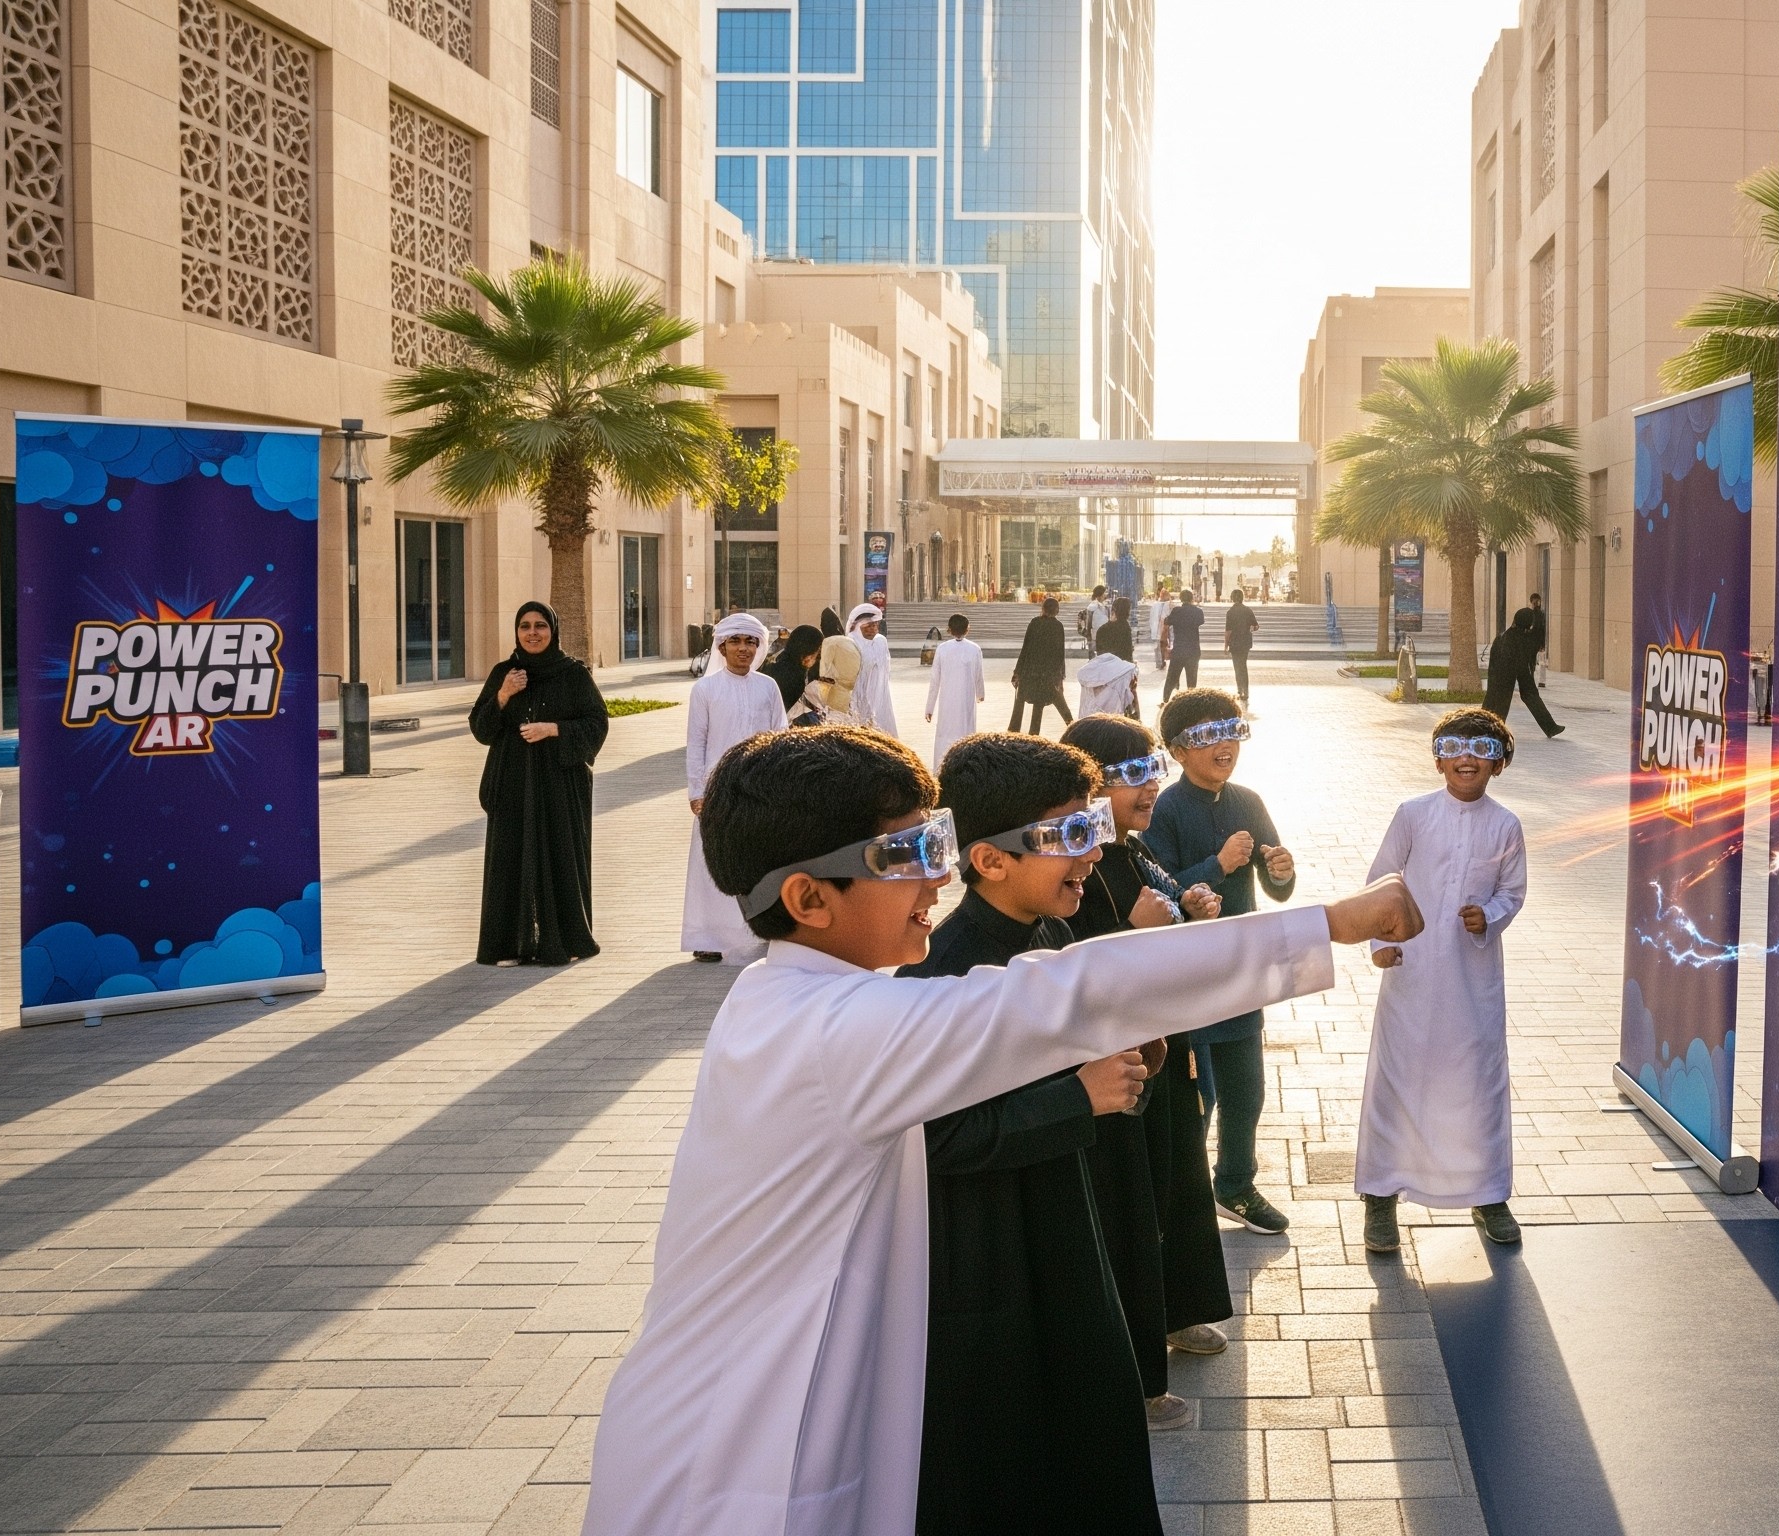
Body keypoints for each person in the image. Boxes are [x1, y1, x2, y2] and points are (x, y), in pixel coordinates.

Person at [580, 727, 1424, 1536]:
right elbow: (1071, 991)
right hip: (745, 1458)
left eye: (936, 844)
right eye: (904, 857)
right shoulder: (839, 1028)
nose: (937, 882)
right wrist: (1336, 923)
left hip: (758, 1420)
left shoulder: (783, 1002)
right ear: (807, 897)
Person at [893, 733, 1164, 1527]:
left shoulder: (1050, 936)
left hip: (1068, 1240)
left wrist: (1127, 1068)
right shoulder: (942, 974)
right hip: (993, 1273)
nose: (1089, 855)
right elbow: (930, 1138)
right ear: (988, 859)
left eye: (1094, 832)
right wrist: (1076, 1100)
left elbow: (1093, 1086)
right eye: (1067, 838)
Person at [1064, 715, 1234, 1425]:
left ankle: (1179, 1309)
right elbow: (1064, 970)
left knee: (1178, 1181)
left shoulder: (1131, 852)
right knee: (1130, 1212)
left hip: (1162, 1045)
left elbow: (1168, 911)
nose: (1148, 784)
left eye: (1149, 769)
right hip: (1110, 1070)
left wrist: (1190, 905)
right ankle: (1134, 1371)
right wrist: (1134, 933)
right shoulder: (1076, 864)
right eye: (1129, 773)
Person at [1356, 709, 1530, 1251]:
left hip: (1472, 976)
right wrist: (1382, 942)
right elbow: (1381, 879)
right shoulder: (1412, 814)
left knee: (1477, 1080)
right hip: (1411, 971)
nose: (1467, 758)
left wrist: (1490, 915)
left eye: (1482, 749)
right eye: (1455, 748)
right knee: (1398, 1075)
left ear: (1498, 763)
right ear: (1437, 758)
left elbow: (1513, 890)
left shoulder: (1506, 825)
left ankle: (1488, 1193)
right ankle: (1381, 1198)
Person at [1144, 688, 1298, 1233]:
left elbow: (1278, 888)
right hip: (1191, 979)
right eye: (1207, 736)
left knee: (1246, 1089)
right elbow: (1156, 893)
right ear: (1179, 751)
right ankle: (1180, 1200)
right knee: (1198, 1096)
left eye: (1231, 731)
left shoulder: (1249, 801)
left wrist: (1278, 870)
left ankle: (1235, 1184)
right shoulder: (1165, 808)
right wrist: (1219, 863)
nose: (1224, 744)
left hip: (1243, 970)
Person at [469, 602, 611, 967]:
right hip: (512, 783)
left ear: (553, 630)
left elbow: (597, 723)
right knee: (510, 859)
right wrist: (502, 695)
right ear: (516, 632)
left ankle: (565, 940)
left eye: (540, 626)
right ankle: (509, 946)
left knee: (560, 855)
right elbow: (481, 730)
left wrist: (554, 729)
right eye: (525, 626)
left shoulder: (573, 674)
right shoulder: (504, 673)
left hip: (560, 784)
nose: (533, 633)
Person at [681, 614, 789, 964]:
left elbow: (780, 736)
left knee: (757, 858)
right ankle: (709, 936)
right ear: (722, 646)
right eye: (736, 642)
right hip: (717, 789)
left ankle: (758, 929)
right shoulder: (705, 689)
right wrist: (697, 791)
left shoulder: (767, 687)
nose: (743, 649)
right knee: (711, 861)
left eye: (751, 642)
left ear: (758, 647)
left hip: (759, 787)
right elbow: (696, 743)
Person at [1482, 603, 1565, 738]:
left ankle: (1550, 727)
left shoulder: (1508, 636)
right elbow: (1515, 658)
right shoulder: (1513, 638)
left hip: (1513, 672)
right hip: (1509, 673)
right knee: (1503, 701)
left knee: (1506, 698)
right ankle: (1490, 729)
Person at [925, 612, 985, 762]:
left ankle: (941, 764)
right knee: (966, 733)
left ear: (949, 629)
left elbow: (935, 680)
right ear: (967, 629)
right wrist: (980, 694)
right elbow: (979, 674)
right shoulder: (975, 648)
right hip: (966, 700)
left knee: (945, 734)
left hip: (947, 701)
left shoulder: (942, 649)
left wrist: (929, 708)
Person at [1012, 595, 1073, 734]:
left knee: (1027, 701)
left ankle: (1020, 731)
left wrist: (1017, 671)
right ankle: (1071, 726)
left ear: (1043, 609)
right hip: (1048, 673)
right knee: (1052, 702)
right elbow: (1059, 653)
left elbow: (1025, 648)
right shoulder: (1057, 626)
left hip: (1030, 671)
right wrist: (1060, 675)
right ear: (1056, 610)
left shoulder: (1034, 623)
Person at [846, 602, 899, 734]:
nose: (873, 629)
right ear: (858, 626)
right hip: (857, 699)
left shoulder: (881, 641)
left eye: (875, 625)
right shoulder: (851, 643)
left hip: (880, 698)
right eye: (868, 626)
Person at [1077, 617, 1140, 718]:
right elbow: (1133, 706)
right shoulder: (1128, 671)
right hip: (1115, 724)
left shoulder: (1087, 671)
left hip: (1089, 723)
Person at [766, 624, 825, 726]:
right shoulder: (794, 677)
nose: (817, 658)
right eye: (817, 652)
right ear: (808, 653)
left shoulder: (779, 663)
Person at [809, 634, 867, 725]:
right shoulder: (849, 641)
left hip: (834, 693)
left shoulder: (828, 643)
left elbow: (824, 674)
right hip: (848, 690)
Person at [1161, 589, 1205, 701]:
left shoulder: (1176, 611)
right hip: (1193, 649)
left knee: (1172, 676)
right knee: (1192, 678)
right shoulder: (1198, 612)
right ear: (1192, 599)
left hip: (1179, 649)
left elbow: (1166, 621)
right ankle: (1192, 700)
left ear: (1180, 599)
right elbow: (1200, 621)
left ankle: (1165, 698)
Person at [1223, 592, 1258, 705]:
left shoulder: (1230, 612)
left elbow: (1228, 631)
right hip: (1245, 642)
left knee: (1237, 666)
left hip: (1235, 642)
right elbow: (1256, 626)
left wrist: (1226, 645)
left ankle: (1239, 689)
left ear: (1232, 598)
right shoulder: (1248, 610)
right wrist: (1251, 629)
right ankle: (1245, 690)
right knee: (1243, 665)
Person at [1148, 585, 1175, 669]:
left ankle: (1160, 662)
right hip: (1162, 627)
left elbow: (1151, 617)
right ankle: (1161, 661)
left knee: (1159, 646)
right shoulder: (1167, 605)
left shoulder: (1155, 605)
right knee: (1162, 646)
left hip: (1160, 628)